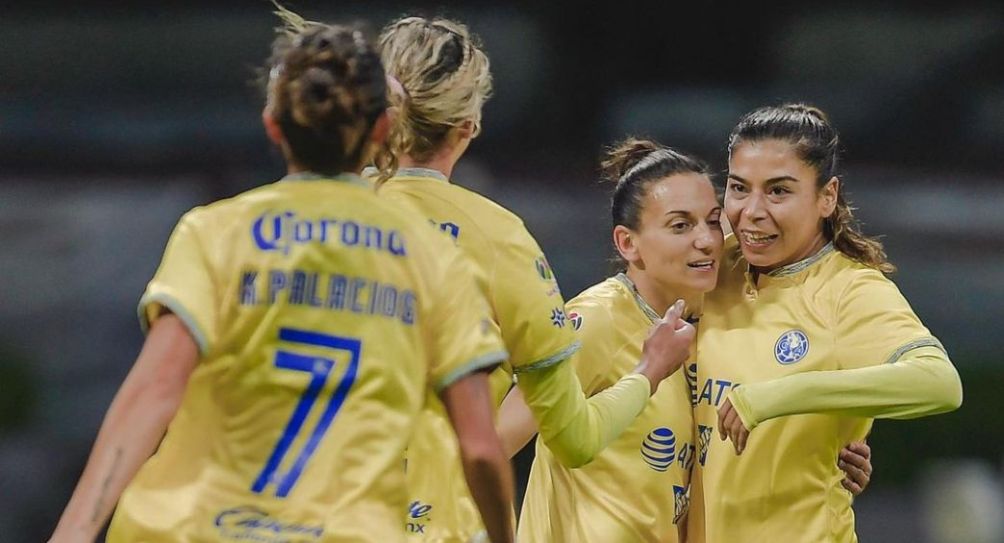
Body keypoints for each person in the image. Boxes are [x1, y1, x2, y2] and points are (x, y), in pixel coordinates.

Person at [49, 21, 517, 543]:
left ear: (273, 124)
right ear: (385, 127)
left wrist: (73, 530)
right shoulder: (431, 255)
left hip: (193, 529)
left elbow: (155, 392)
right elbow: (478, 445)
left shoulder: (215, 232)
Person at [373, 17, 696, 542]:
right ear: (468, 127)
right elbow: (576, 438)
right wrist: (648, 371)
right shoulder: (500, 239)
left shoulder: (290, 226)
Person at [503, 139, 874, 542]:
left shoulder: (701, 332)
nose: (706, 240)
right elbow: (493, 442)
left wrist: (820, 452)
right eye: (680, 226)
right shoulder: (597, 320)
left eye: (712, 221)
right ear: (628, 243)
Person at [689, 103, 963, 542]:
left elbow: (940, 383)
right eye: (739, 188)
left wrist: (780, 397)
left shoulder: (849, 291)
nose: (752, 211)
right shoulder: (711, 269)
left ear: (826, 196)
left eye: (778, 191)